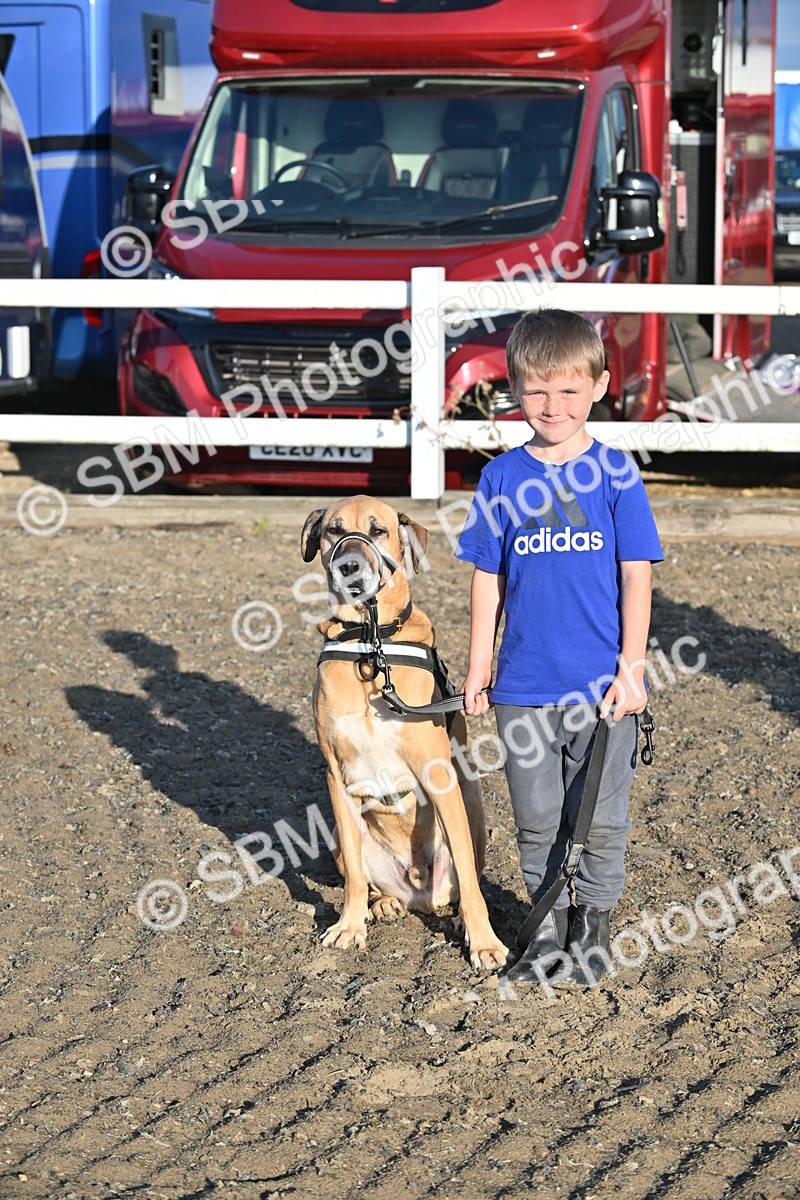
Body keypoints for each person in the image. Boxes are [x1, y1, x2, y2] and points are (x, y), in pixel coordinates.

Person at [455, 308, 663, 988]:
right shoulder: (501, 480)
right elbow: (489, 579)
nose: (552, 406)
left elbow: (638, 574)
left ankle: (593, 924)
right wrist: (480, 665)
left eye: (568, 390)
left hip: (601, 689)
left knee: (600, 819)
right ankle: (543, 930)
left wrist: (631, 668)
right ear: (515, 389)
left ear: (598, 386)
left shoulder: (615, 474)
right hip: (522, 688)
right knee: (537, 819)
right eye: (537, 390)